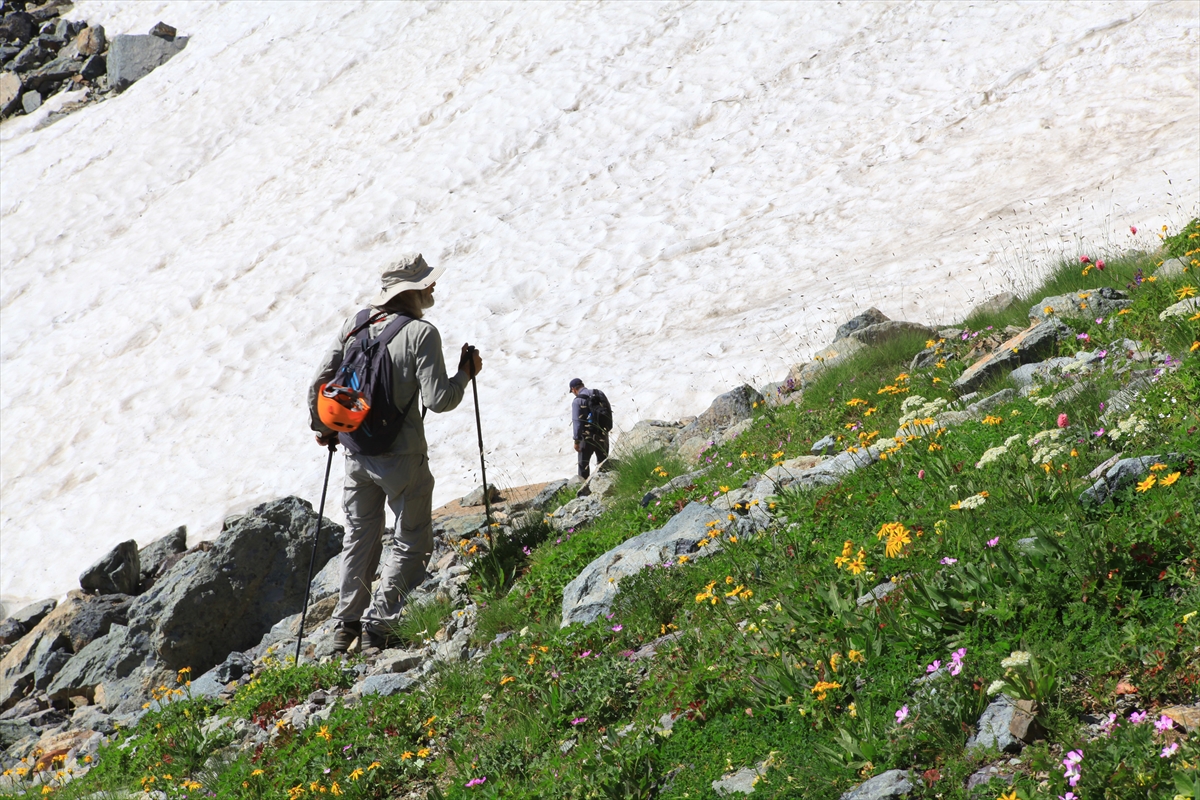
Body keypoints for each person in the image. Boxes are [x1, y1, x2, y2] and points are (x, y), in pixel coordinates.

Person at [309, 253, 482, 654]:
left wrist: (324, 427)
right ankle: (379, 626)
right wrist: (465, 373)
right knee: (412, 540)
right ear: (411, 291)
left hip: (355, 451)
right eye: (426, 281)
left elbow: (319, 381)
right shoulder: (422, 333)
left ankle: (345, 627)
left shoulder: (356, 324)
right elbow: (439, 400)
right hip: (402, 457)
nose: (432, 285)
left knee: (359, 537)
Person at [569, 378, 609, 479]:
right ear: (583, 384)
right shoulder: (599, 393)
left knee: (583, 466)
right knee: (604, 463)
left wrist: (577, 441)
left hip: (587, 438)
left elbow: (577, 422)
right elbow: (608, 410)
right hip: (602, 434)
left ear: (573, 389)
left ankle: (584, 490)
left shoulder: (577, 401)